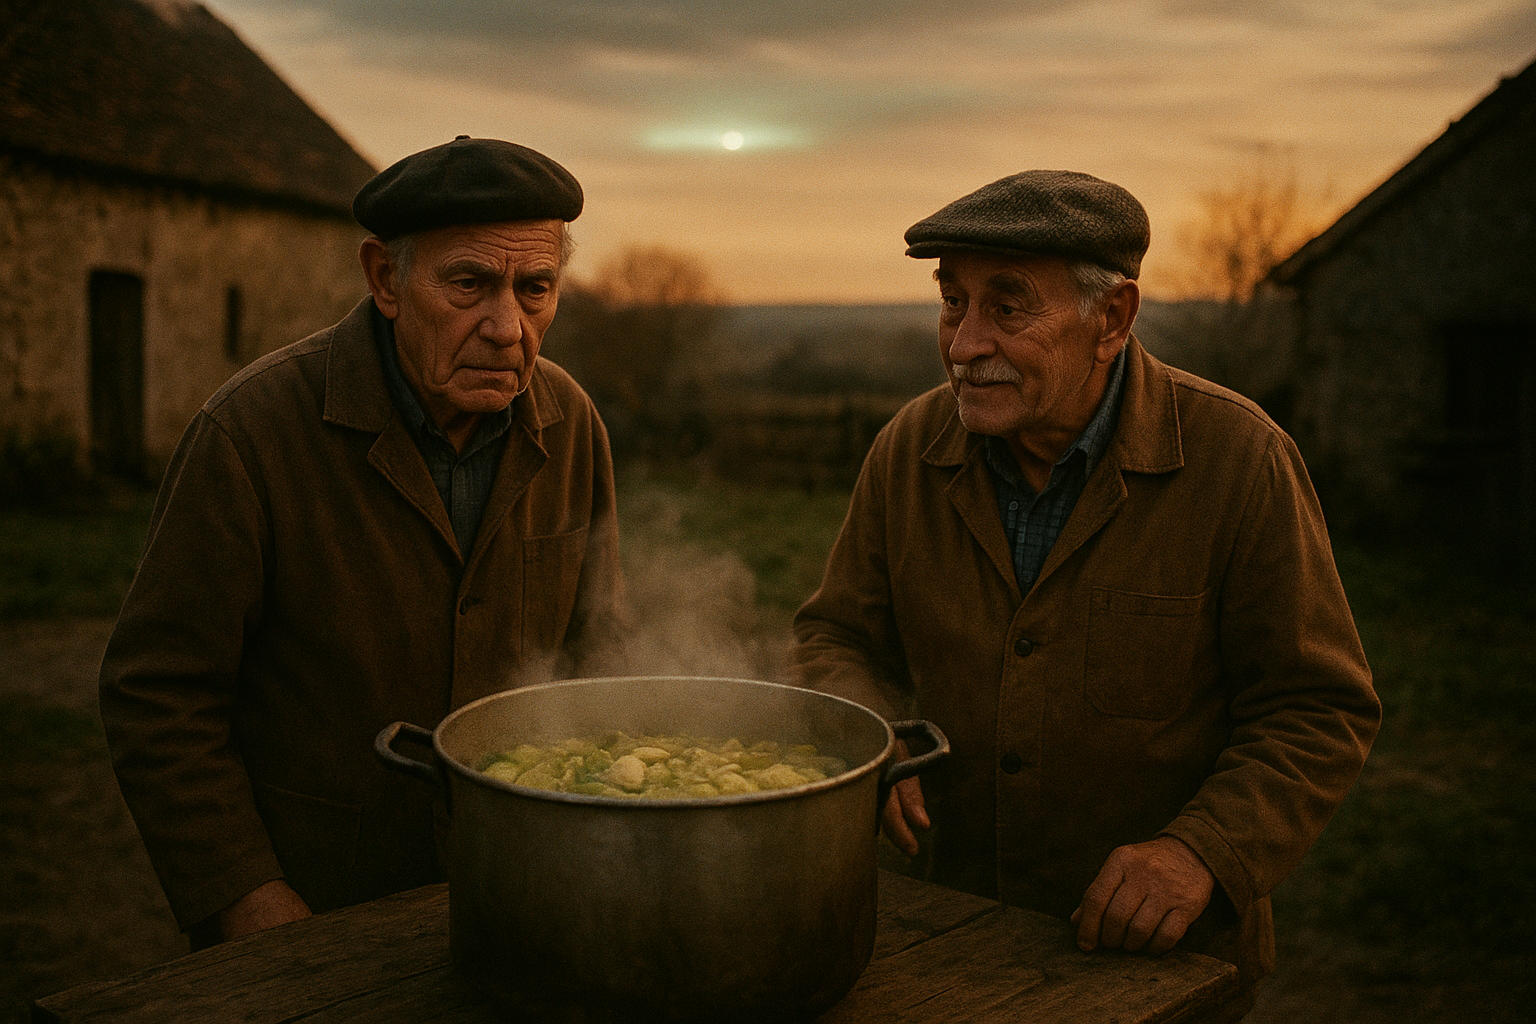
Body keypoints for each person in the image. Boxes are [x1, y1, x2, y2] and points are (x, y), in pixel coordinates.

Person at [792, 170, 1379, 1015]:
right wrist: (867, 736)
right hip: (950, 938)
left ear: (1112, 319)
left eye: (1008, 306)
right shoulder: (910, 448)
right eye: (953, 302)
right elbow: (837, 635)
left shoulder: (1238, 459)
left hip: (1159, 967)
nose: (963, 344)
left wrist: (1201, 852)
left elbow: (1319, 709)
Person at [99, 137, 624, 948]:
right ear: (386, 278)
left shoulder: (569, 420)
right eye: (470, 284)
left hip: (524, 891)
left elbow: (599, 652)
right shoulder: (251, 433)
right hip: (319, 906)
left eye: (536, 288)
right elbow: (158, 695)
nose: (507, 326)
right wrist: (250, 899)